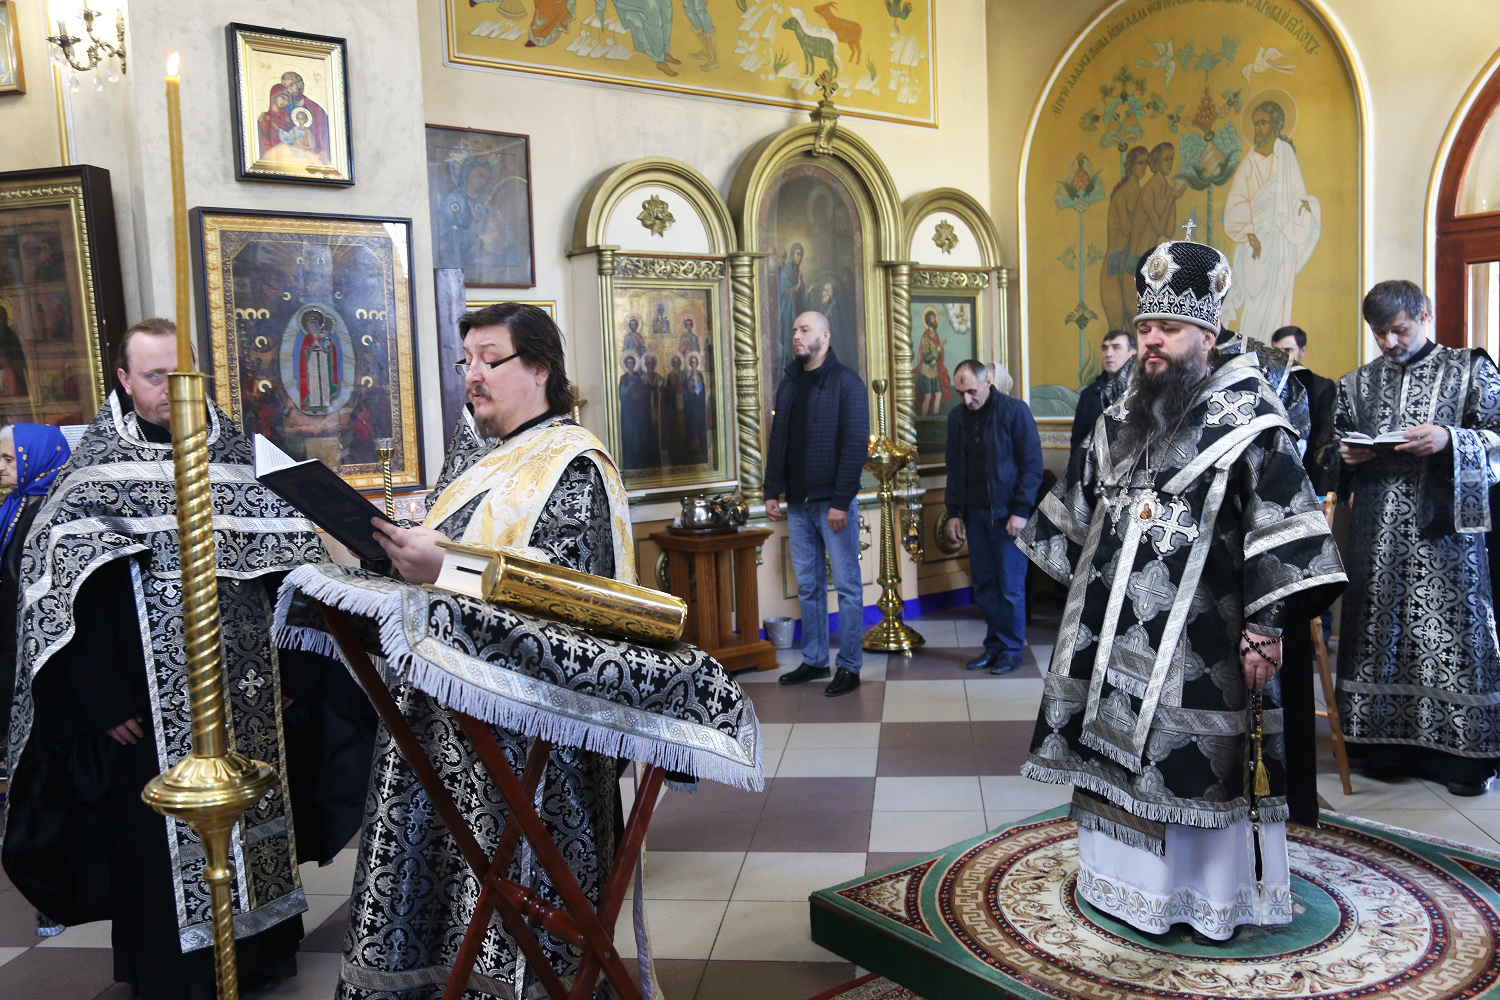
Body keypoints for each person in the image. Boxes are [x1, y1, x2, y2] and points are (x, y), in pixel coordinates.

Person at [3, 318, 367, 998]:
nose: (172, 392)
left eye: (183, 376)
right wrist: (101, 700)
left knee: (257, 819)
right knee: (157, 839)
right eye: (154, 378)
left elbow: (296, 572)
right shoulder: (93, 475)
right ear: (123, 380)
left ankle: (260, 954)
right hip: (142, 705)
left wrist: (294, 671)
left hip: (252, 690)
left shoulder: (241, 458)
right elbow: (63, 598)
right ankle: (178, 972)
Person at [1018, 240, 1345, 941]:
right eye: (1144, 327)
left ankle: (1203, 899)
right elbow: (1078, 511)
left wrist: (1266, 628)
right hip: (1111, 634)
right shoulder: (1124, 413)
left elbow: (1285, 529)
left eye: (1168, 328)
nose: (1152, 341)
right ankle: (1120, 887)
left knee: (1193, 767)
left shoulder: (1251, 418)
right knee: (1112, 759)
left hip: (1207, 640)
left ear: (1209, 333)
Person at [346, 301, 636, 998]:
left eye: (489, 359)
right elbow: (445, 563)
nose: (471, 375)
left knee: (509, 907)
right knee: (444, 890)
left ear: (538, 368)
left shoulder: (574, 465)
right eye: (465, 361)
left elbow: (569, 598)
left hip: (527, 743)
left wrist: (439, 565)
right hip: (445, 723)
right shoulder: (481, 461)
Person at [1334, 280, 1500, 796]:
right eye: (1378, 333)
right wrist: (1347, 454)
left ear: (1424, 316)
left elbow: (1498, 435)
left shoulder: (1469, 369)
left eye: (1398, 330)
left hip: (1445, 538)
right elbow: (1329, 447)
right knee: (1379, 632)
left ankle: (1461, 758)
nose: (1388, 342)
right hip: (1376, 536)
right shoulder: (1357, 384)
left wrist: (1450, 438)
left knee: (1452, 636)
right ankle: (1384, 749)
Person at [764, 310, 869, 698]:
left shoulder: (847, 383)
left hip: (832, 504)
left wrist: (841, 500)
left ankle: (850, 666)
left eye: (804, 329)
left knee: (847, 587)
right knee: (808, 587)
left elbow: (855, 446)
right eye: (794, 330)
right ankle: (815, 660)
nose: (796, 335)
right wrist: (771, 490)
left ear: (824, 336)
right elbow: (778, 441)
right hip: (798, 503)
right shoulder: (790, 383)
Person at [944, 360, 1042, 675]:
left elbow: (1032, 466)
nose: (966, 399)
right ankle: (994, 646)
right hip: (974, 514)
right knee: (985, 585)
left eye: (971, 391)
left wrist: (1021, 510)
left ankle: (1011, 650)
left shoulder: (1015, 411)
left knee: (1010, 587)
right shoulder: (958, 418)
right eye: (960, 393)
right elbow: (954, 469)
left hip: (1008, 515)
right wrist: (953, 513)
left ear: (988, 380)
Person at [1221, 99, 1321, 343]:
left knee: (1278, 303)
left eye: (1263, 123)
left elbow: (1296, 195)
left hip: (1281, 243)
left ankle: (1274, 354)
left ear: (1275, 125)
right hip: (1255, 244)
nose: (1258, 128)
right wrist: (1250, 234)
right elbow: (1236, 204)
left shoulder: (1285, 155)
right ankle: (1250, 354)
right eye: (1256, 123)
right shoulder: (1249, 162)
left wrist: (1309, 207)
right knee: (1254, 303)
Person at [0, 424, 70, 771]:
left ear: (37, 457)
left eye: (9, 459)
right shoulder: (13, 504)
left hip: (38, 636)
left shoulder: (53, 509)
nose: (1, 467)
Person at [1271, 325, 1337, 495]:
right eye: (1275, 351)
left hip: (1308, 473)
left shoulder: (1322, 387)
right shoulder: (1265, 385)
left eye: (1288, 350)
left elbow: (1325, 442)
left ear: (1303, 351)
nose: (1281, 356)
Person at [1069, 329, 1136, 454]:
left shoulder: (1141, 392)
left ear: (1132, 353)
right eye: (1104, 348)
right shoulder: (1089, 395)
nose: (1108, 354)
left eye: (1116, 347)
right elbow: (1078, 444)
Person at [916, 307, 953, 415]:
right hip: (926, 371)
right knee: (927, 396)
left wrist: (940, 350)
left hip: (934, 370)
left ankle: (935, 419)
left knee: (938, 394)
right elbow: (927, 358)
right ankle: (923, 420)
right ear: (928, 321)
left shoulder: (935, 334)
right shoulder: (926, 337)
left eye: (935, 318)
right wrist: (938, 349)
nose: (935, 321)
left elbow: (937, 357)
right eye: (932, 319)